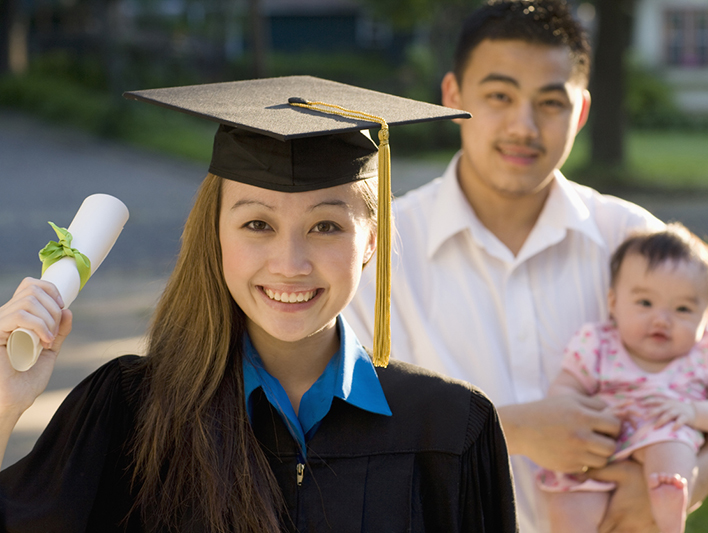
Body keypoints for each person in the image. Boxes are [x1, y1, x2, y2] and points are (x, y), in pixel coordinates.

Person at [0, 77, 518, 532]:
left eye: (326, 226)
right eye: (257, 225)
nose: (289, 263)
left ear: (371, 244)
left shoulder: (449, 428)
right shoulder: (130, 413)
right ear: (216, 235)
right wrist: (4, 403)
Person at [344, 1, 708, 531]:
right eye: (499, 96)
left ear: (582, 110)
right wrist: (508, 430)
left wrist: (683, 488)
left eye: (550, 102)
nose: (523, 126)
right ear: (453, 95)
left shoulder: (633, 237)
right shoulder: (377, 252)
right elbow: (336, 430)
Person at [537, 223, 708, 533]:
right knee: (569, 504)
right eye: (645, 303)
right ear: (613, 304)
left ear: (706, 315)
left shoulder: (707, 352)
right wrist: (589, 411)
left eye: (682, 309)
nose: (661, 319)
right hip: (600, 443)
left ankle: (668, 518)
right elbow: (563, 391)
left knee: (672, 449)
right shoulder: (598, 343)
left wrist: (694, 413)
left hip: (664, 430)